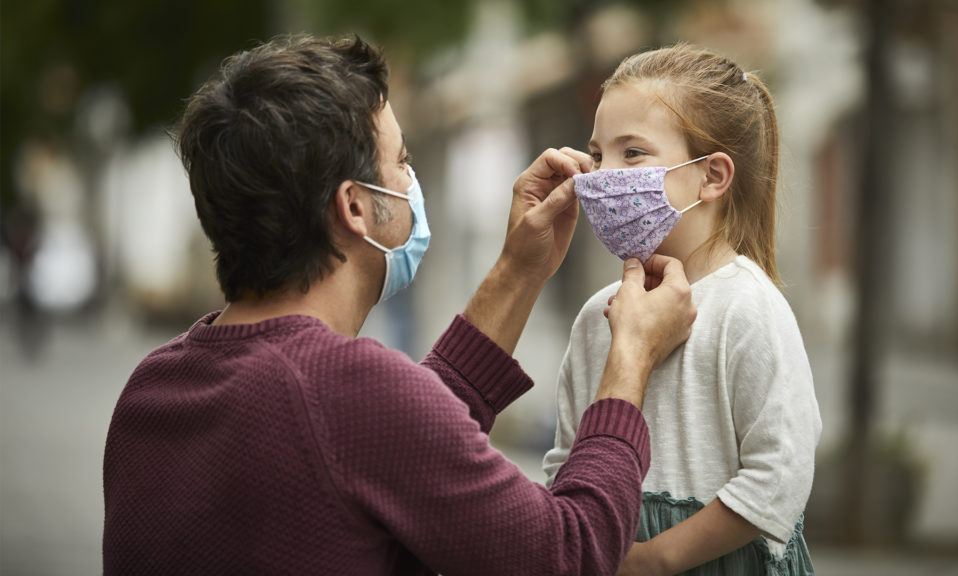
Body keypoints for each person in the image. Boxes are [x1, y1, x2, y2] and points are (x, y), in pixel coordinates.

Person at [102, 34, 699, 576]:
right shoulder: (346, 391)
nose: (412, 180)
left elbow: (400, 438)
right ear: (356, 207)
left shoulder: (152, 388)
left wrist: (520, 269)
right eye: (402, 161)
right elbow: (569, 553)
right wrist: (630, 361)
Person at [542, 43, 822, 575]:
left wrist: (657, 558)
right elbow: (564, 465)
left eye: (633, 153)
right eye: (597, 154)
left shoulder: (749, 307)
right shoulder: (596, 315)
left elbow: (780, 475)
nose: (603, 176)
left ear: (712, 176)